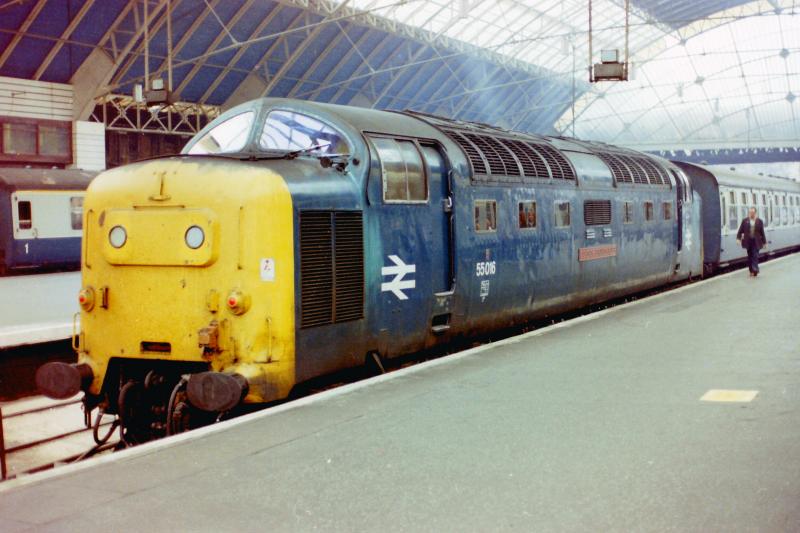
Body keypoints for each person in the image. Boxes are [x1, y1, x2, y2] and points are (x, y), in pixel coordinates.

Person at [736, 207, 767, 277]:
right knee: (750, 256)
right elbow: (740, 230)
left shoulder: (759, 221)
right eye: (750, 212)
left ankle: (755, 269)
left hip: (756, 242)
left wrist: (764, 242)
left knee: (755, 255)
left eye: (752, 212)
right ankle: (751, 270)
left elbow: (762, 232)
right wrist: (738, 238)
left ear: (755, 213)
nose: (751, 214)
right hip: (748, 241)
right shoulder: (745, 221)